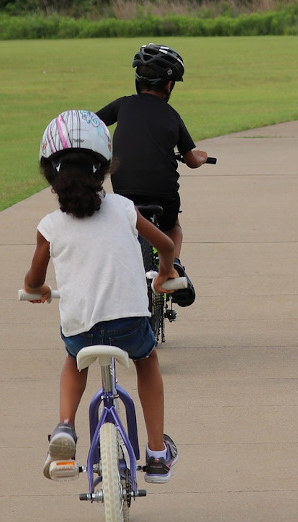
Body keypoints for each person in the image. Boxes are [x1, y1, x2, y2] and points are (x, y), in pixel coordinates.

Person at [23, 109, 179, 484]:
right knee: (147, 360)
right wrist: (165, 273)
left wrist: (38, 291)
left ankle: (64, 428)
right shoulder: (124, 209)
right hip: (129, 325)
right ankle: (156, 452)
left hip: (81, 330)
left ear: (50, 173)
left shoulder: (50, 226)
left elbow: (33, 280)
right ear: (104, 168)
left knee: (73, 360)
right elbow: (165, 245)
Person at [96, 42, 209, 308]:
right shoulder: (172, 116)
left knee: (127, 224)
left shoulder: (123, 105)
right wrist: (202, 157)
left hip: (125, 189)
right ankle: (174, 267)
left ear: (137, 79)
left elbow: (93, 122)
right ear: (169, 85)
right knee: (173, 228)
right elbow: (191, 159)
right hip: (163, 191)